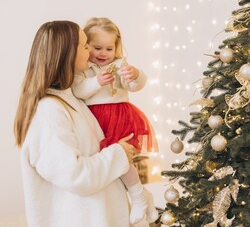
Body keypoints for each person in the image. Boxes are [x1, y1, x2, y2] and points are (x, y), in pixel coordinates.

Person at [14, 20, 138, 227]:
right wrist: (118, 154)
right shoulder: (49, 111)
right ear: (67, 54)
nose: (90, 49)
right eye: (84, 45)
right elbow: (76, 176)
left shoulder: (73, 100)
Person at [71, 17, 159, 224]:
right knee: (111, 164)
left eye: (109, 49)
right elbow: (79, 90)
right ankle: (143, 195)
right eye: (97, 47)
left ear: (116, 47)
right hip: (95, 120)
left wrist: (135, 75)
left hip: (119, 116)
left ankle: (138, 196)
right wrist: (96, 81)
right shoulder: (84, 69)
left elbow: (134, 87)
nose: (103, 54)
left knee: (123, 158)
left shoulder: (119, 64)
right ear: (86, 46)